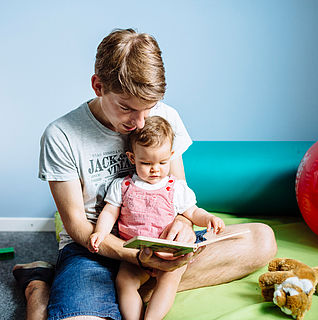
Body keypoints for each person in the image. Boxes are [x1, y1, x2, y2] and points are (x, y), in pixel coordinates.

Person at [13, 28, 277, 320]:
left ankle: (110, 294)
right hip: (95, 250)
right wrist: (132, 255)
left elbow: (177, 190)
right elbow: (76, 226)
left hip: (158, 241)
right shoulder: (61, 135)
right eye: (126, 108)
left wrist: (182, 226)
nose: (139, 123)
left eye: (148, 109)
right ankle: (41, 287)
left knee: (261, 239)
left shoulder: (166, 117)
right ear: (98, 86)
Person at [88, 115, 225, 320]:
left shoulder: (175, 187)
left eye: (162, 162)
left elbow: (192, 212)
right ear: (132, 158)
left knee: (169, 280)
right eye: (146, 162)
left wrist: (208, 219)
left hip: (169, 252)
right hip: (135, 252)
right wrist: (100, 232)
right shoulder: (122, 186)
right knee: (124, 282)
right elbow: (109, 212)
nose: (155, 169)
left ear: (171, 155)